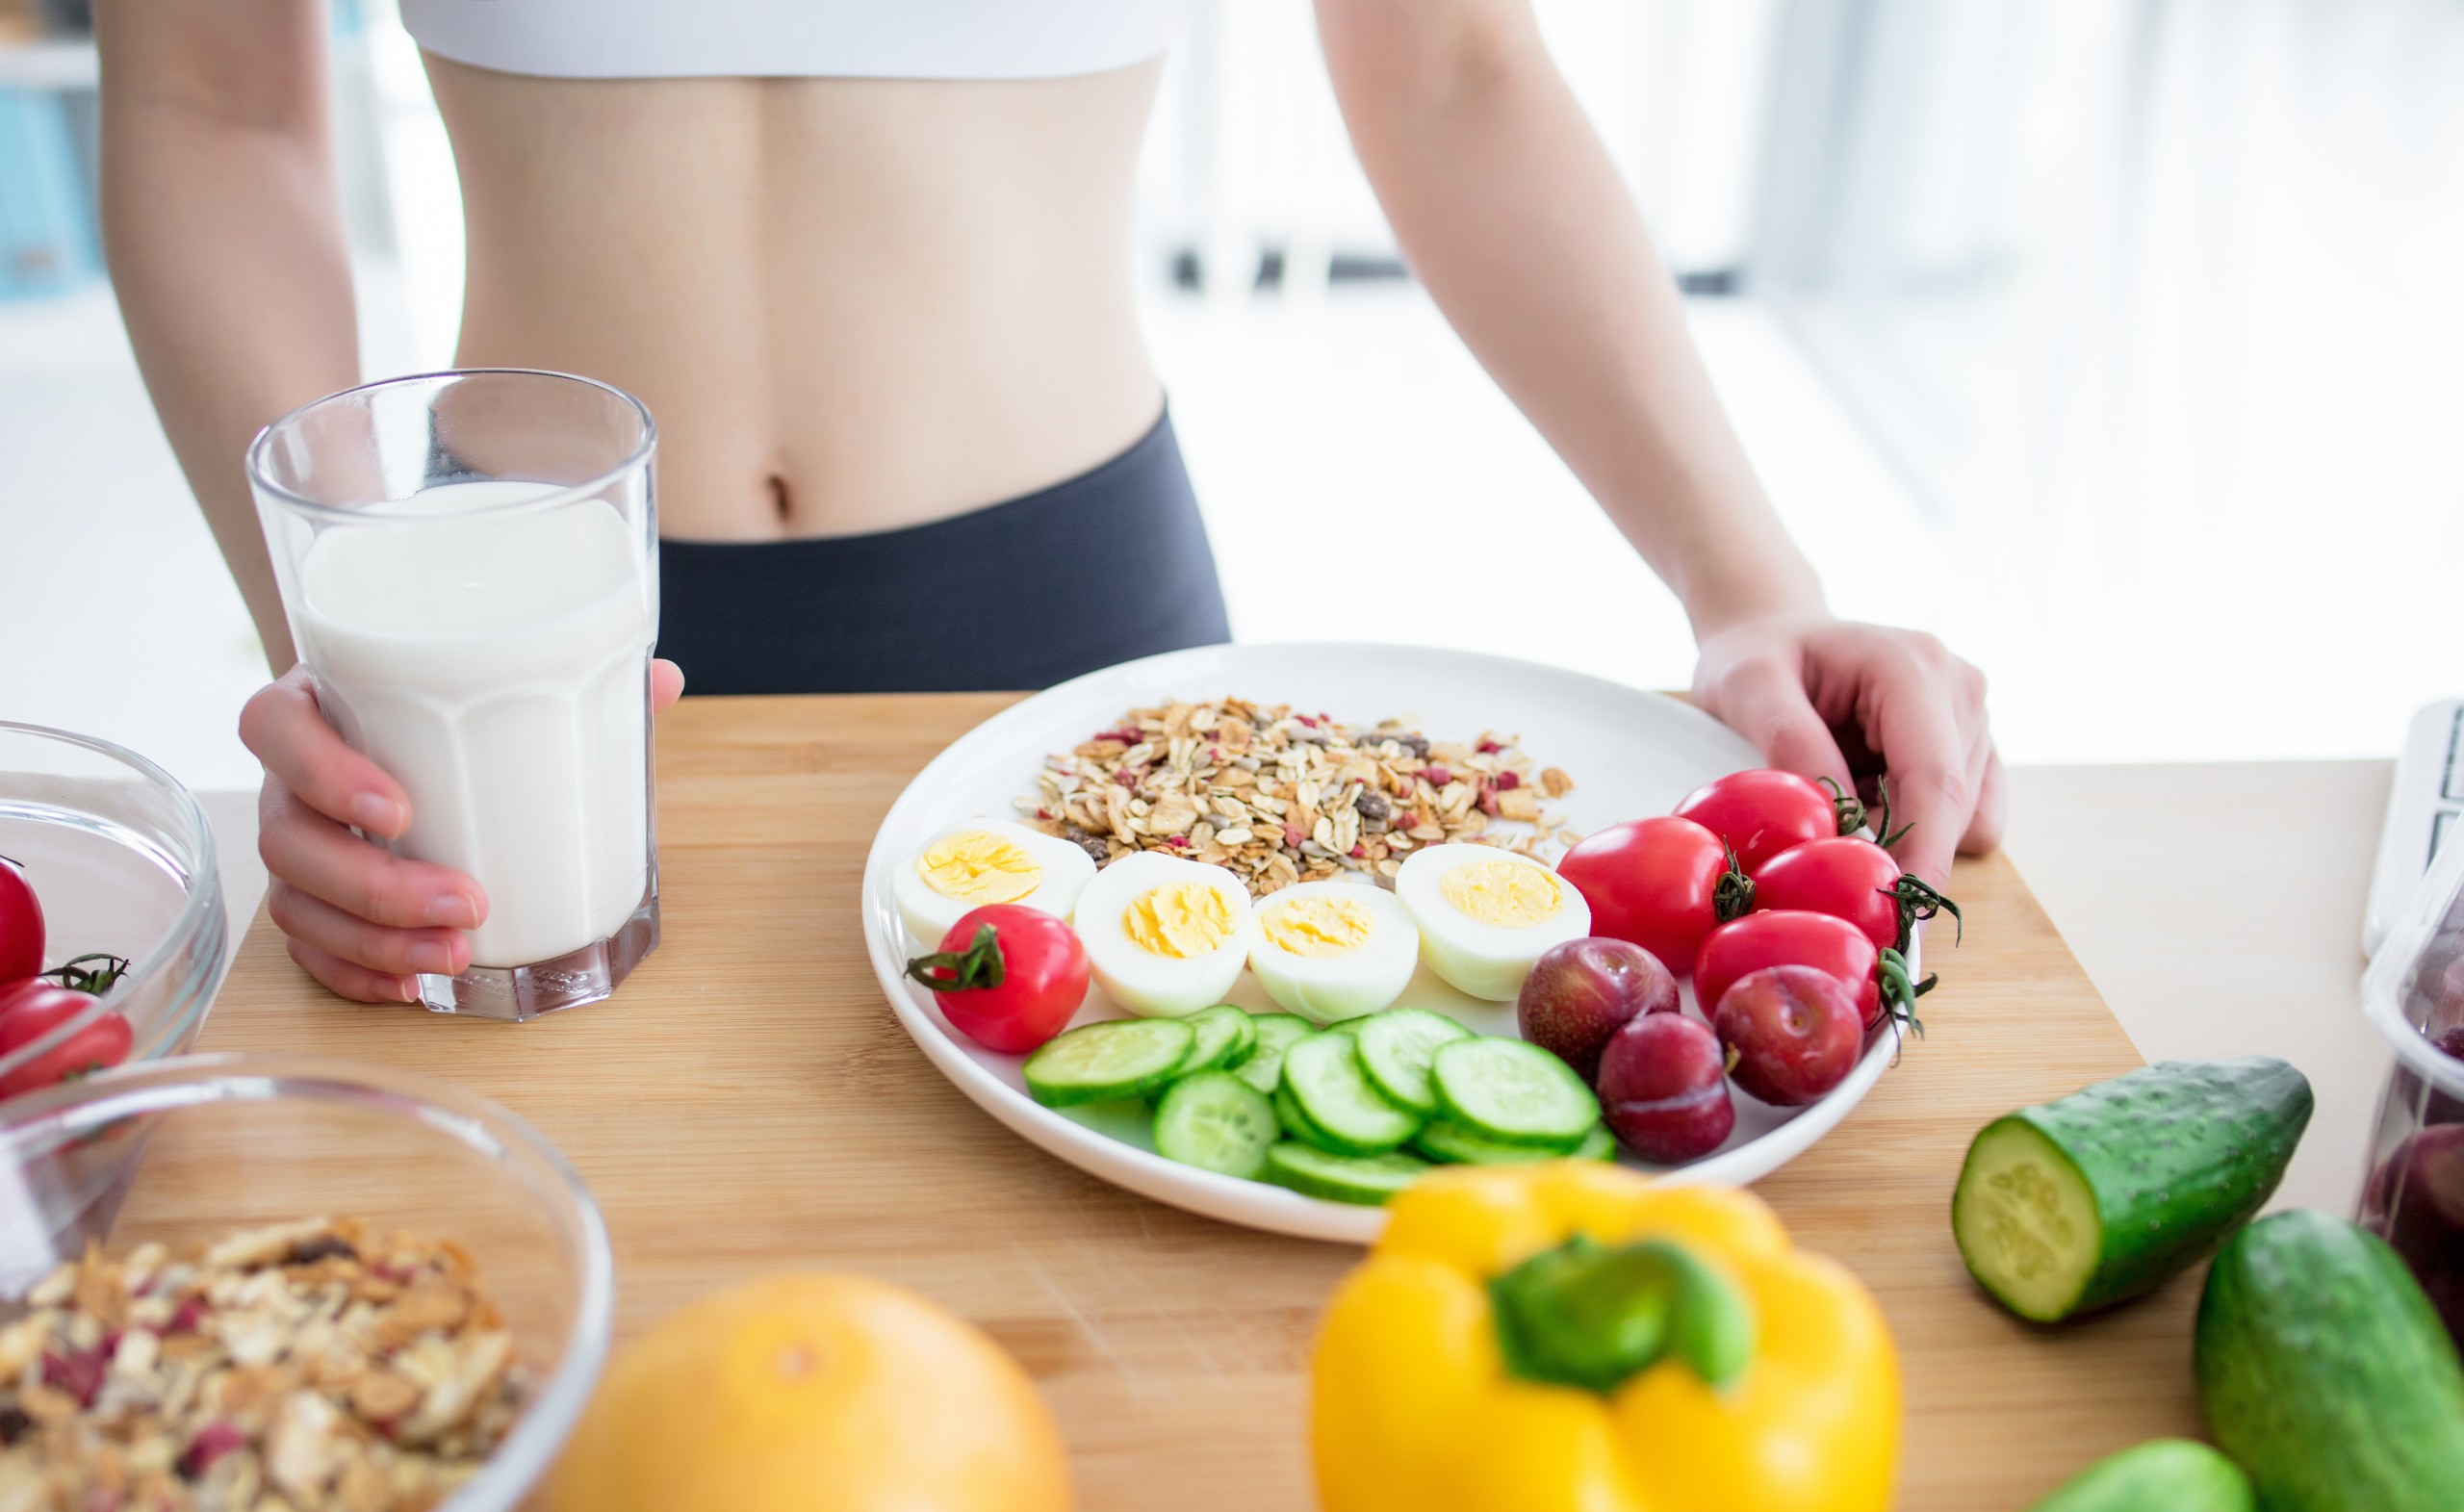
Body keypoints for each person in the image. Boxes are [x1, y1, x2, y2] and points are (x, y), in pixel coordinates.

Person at [98, 0, 2003, 1005]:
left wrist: (1745, 579)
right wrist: (347, 651)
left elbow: (1448, 64)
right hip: (528, 649)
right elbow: (207, 93)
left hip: (1073, 636)